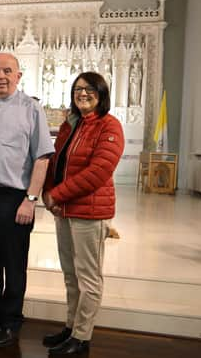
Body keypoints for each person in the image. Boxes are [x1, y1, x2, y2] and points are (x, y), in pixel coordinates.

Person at [0, 53, 54, 347]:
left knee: (13, 265)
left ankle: (10, 322)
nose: (1, 76)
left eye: (7, 71)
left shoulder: (31, 109)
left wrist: (30, 199)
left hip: (15, 199)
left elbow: (42, 158)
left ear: (19, 75)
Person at [41, 72, 124, 355]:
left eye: (89, 89)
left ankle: (82, 336)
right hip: (65, 210)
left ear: (101, 93)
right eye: (78, 89)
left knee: (88, 277)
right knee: (70, 275)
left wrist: (57, 194)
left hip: (90, 211)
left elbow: (98, 173)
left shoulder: (109, 126)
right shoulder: (71, 124)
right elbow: (57, 162)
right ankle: (70, 327)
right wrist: (48, 192)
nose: (83, 94)